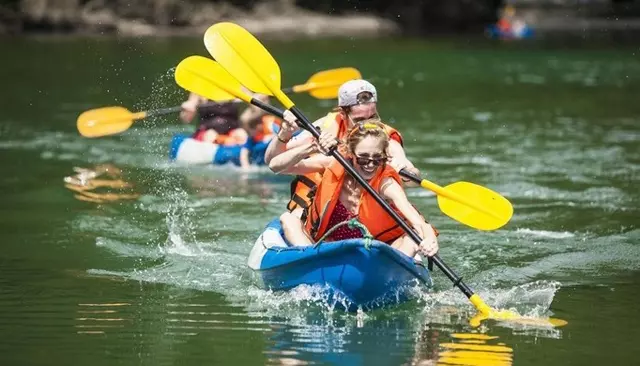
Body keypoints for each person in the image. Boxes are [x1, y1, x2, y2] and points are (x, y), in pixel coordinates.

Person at [269, 120, 438, 259]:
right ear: (350, 153)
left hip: (376, 255)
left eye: (377, 159)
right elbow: (275, 166)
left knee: (414, 235)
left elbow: (417, 221)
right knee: (288, 219)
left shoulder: (386, 183)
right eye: (363, 159)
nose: (370, 165)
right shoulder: (334, 164)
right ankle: (311, 263)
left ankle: (392, 275)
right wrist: (311, 147)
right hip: (327, 251)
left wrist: (430, 239)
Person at [265, 79, 420, 221]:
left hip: (365, 210)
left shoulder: (383, 138)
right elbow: (273, 162)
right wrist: (285, 133)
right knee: (292, 218)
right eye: (359, 120)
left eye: (372, 117)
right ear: (342, 113)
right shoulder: (324, 127)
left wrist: (407, 173)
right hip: (320, 205)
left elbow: (409, 174)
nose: (366, 125)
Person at [180, 92, 248, 145]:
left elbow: (253, 103)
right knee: (211, 135)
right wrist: (187, 110)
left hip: (231, 130)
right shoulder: (199, 87)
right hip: (207, 130)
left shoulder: (237, 86)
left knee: (242, 134)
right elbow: (186, 119)